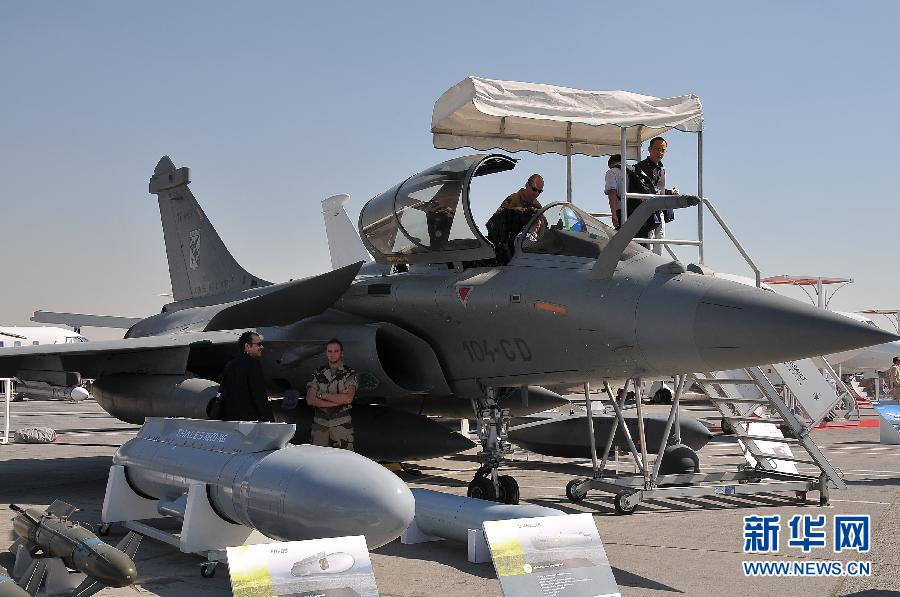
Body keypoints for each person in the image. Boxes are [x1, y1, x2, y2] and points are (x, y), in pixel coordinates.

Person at [306, 338, 358, 450]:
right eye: (329, 351)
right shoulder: (318, 372)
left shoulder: (349, 373)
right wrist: (337, 402)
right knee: (318, 460)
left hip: (341, 427)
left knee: (344, 461)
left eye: (336, 351)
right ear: (326, 353)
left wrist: (322, 395)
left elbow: (348, 398)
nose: (332, 354)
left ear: (342, 353)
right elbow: (310, 399)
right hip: (320, 426)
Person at [634, 137, 680, 254]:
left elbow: (659, 189)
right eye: (657, 149)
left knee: (660, 241)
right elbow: (645, 188)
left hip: (658, 210)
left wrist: (670, 193)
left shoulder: (661, 169)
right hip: (646, 210)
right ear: (649, 149)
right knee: (648, 242)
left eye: (662, 150)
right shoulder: (640, 167)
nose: (660, 153)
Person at [487, 174, 544, 264]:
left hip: (528, 252)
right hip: (511, 253)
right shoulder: (513, 199)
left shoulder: (537, 206)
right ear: (527, 185)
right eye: (534, 189)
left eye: (540, 191)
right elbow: (496, 222)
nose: (536, 193)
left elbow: (541, 229)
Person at [218, 331, 273, 422]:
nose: (262, 347)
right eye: (259, 344)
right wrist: (269, 420)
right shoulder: (253, 364)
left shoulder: (230, 364)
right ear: (247, 346)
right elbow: (259, 395)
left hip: (230, 420)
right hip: (249, 422)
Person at [604, 154, 624, 229]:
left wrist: (614, 214)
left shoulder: (611, 172)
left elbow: (612, 192)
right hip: (636, 209)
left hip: (621, 210)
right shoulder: (633, 170)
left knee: (622, 237)